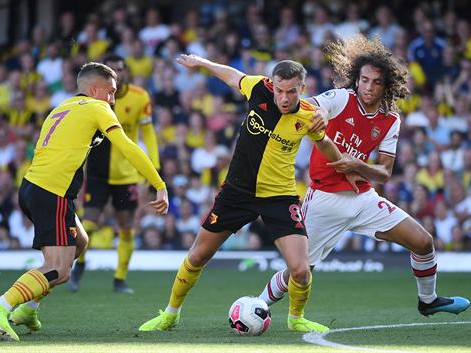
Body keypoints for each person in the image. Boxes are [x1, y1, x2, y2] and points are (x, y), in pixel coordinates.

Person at [138, 54, 357, 333]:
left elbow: (324, 144)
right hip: (237, 192)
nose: (284, 97)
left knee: (301, 270)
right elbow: (231, 75)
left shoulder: (308, 116)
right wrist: (203, 63)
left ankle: (296, 318)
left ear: (302, 90)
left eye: (291, 91)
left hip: (280, 196)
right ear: (273, 85)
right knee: (196, 257)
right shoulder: (258, 88)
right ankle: (170, 314)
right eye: (279, 90)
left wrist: (344, 167)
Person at [258, 35, 470, 317]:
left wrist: (357, 165)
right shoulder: (341, 98)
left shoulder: (390, 119)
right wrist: (319, 113)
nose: (369, 87)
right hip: (324, 200)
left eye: (376, 82)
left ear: (387, 86)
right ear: (356, 79)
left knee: (423, 242)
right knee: (299, 270)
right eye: (365, 80)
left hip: (363, 199)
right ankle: (258, 305)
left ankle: (428, 300)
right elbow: (317, 106)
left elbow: (384, 172)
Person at [0, 62, 169, 341]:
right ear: (94, 90)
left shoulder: (62, 107)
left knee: (79, 242)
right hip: (51, 193)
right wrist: (159, 184)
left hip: (33, 188)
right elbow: (127, 145)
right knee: (59, 269)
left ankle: (29, 309)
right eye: (111, 92)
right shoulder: (97, 107)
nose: (113, 99)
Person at [69, 54, 161, 294]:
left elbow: (148, 133)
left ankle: (120, 278)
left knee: (126, 227)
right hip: (98, 170)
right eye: (112, 71)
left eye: (120, 70)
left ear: (126, 71)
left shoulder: (140, 97)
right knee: (88, 222)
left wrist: (155, 166)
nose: (117, 75)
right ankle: (79, 264)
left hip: (127, 174)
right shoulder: (96, 100)